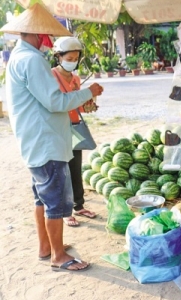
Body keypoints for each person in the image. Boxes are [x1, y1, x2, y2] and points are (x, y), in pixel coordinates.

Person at [0, 3, 104, 272]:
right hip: (45, 142)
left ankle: (46, 247)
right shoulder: (31, 60)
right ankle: (58, 256)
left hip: (34, 140)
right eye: (46, 35)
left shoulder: (18, 58)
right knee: (56, 201)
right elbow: (55, 101)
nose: (48, 41)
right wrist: (89, 91)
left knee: (42, 198)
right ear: (37, 34)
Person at [51, 37, 97, 227]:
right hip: (59, 129)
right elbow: (56, 103)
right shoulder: (51, 76)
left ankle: (79, 205)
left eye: (76, 58)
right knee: (63, 172)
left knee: (75, 168)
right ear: (59, 57)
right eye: (69, 58)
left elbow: (77, 104)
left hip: (75, 127)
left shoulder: (76, 79)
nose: (73, 62)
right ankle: (66, 211)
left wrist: (88, 106)